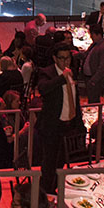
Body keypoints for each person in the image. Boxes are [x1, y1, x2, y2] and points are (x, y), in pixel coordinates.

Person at [35, 42, 82, 194]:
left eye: (68, 58)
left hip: (68, 125)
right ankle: (44, 194)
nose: (65, 61)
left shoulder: (72, 71)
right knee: (49, 163)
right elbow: (43, 88)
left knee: (61, 162)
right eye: (62, 58)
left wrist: (79, 123)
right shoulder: (47, 72)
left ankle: (55, 191)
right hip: (51, 126)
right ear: (55, 58)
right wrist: (62, 78)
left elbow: (75, 99)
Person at [79, 22, 104, 103]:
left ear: (98, 35)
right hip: (89, 77)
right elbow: (86, 55)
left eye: (92, 35)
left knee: (94, 101)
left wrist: (93, 81)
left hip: (94, 80)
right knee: (90, 98)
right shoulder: (95, 44)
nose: (91, 37)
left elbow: (102, 68)